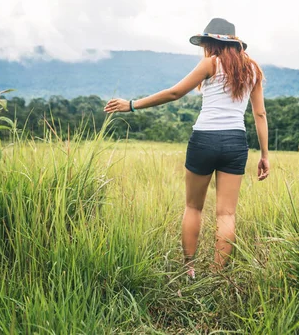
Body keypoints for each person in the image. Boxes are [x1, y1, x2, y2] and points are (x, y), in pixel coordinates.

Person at [104, 18, 270, 278]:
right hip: (235, 142)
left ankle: (188, 269)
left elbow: (174, 93)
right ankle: (216, 276)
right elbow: (260, 114)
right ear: (235, 43)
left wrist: (132, 105)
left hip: (204, 139)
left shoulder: (210, 64)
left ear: (212, 43)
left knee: (193, 207)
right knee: (226, 214)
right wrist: (264, 156)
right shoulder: (253, 71)